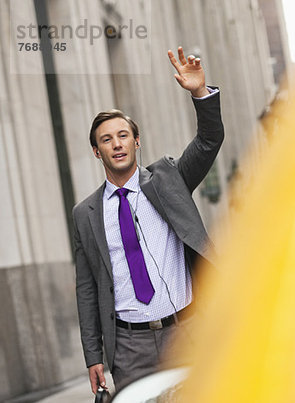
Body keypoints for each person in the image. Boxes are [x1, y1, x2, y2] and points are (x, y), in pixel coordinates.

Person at [72, 46, 224, 393]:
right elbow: (86, 288)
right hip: (129, 347)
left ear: (136, 141)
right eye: (106, 140)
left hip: (185, 332)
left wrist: (200, 93)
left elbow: (209, 141)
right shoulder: (86, 214)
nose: (117, 144)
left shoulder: (170, 179)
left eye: (123, 135)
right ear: (98, 152)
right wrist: (93, 355)